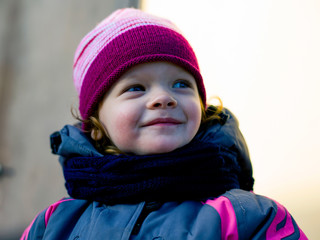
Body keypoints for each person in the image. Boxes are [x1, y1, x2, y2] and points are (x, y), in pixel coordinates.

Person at [21, 8, 307, 239]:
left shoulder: (249, 217)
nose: (164, 97)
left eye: (181, 83)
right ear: (96, 124)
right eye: (135, 88)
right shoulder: (55, 224)